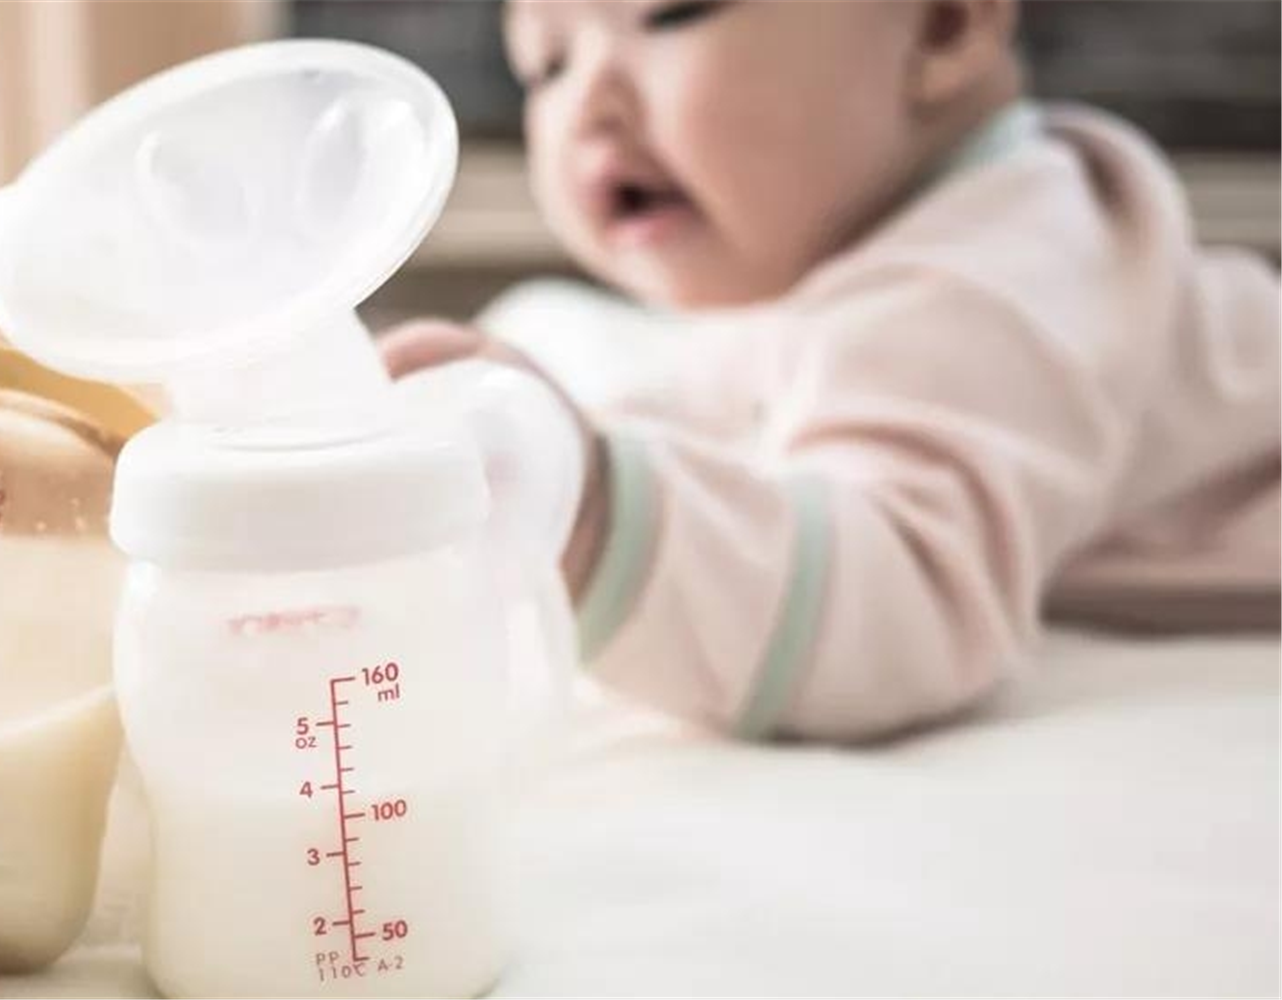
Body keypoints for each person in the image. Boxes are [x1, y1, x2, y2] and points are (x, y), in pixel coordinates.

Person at [379, 0, 1281, 741]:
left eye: (669, 16)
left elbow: (900, 605)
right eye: (547, 65)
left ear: (942, 25)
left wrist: (595, 511)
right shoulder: (846, 269)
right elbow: (747, 414)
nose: (589, 106)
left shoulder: (989, 267)